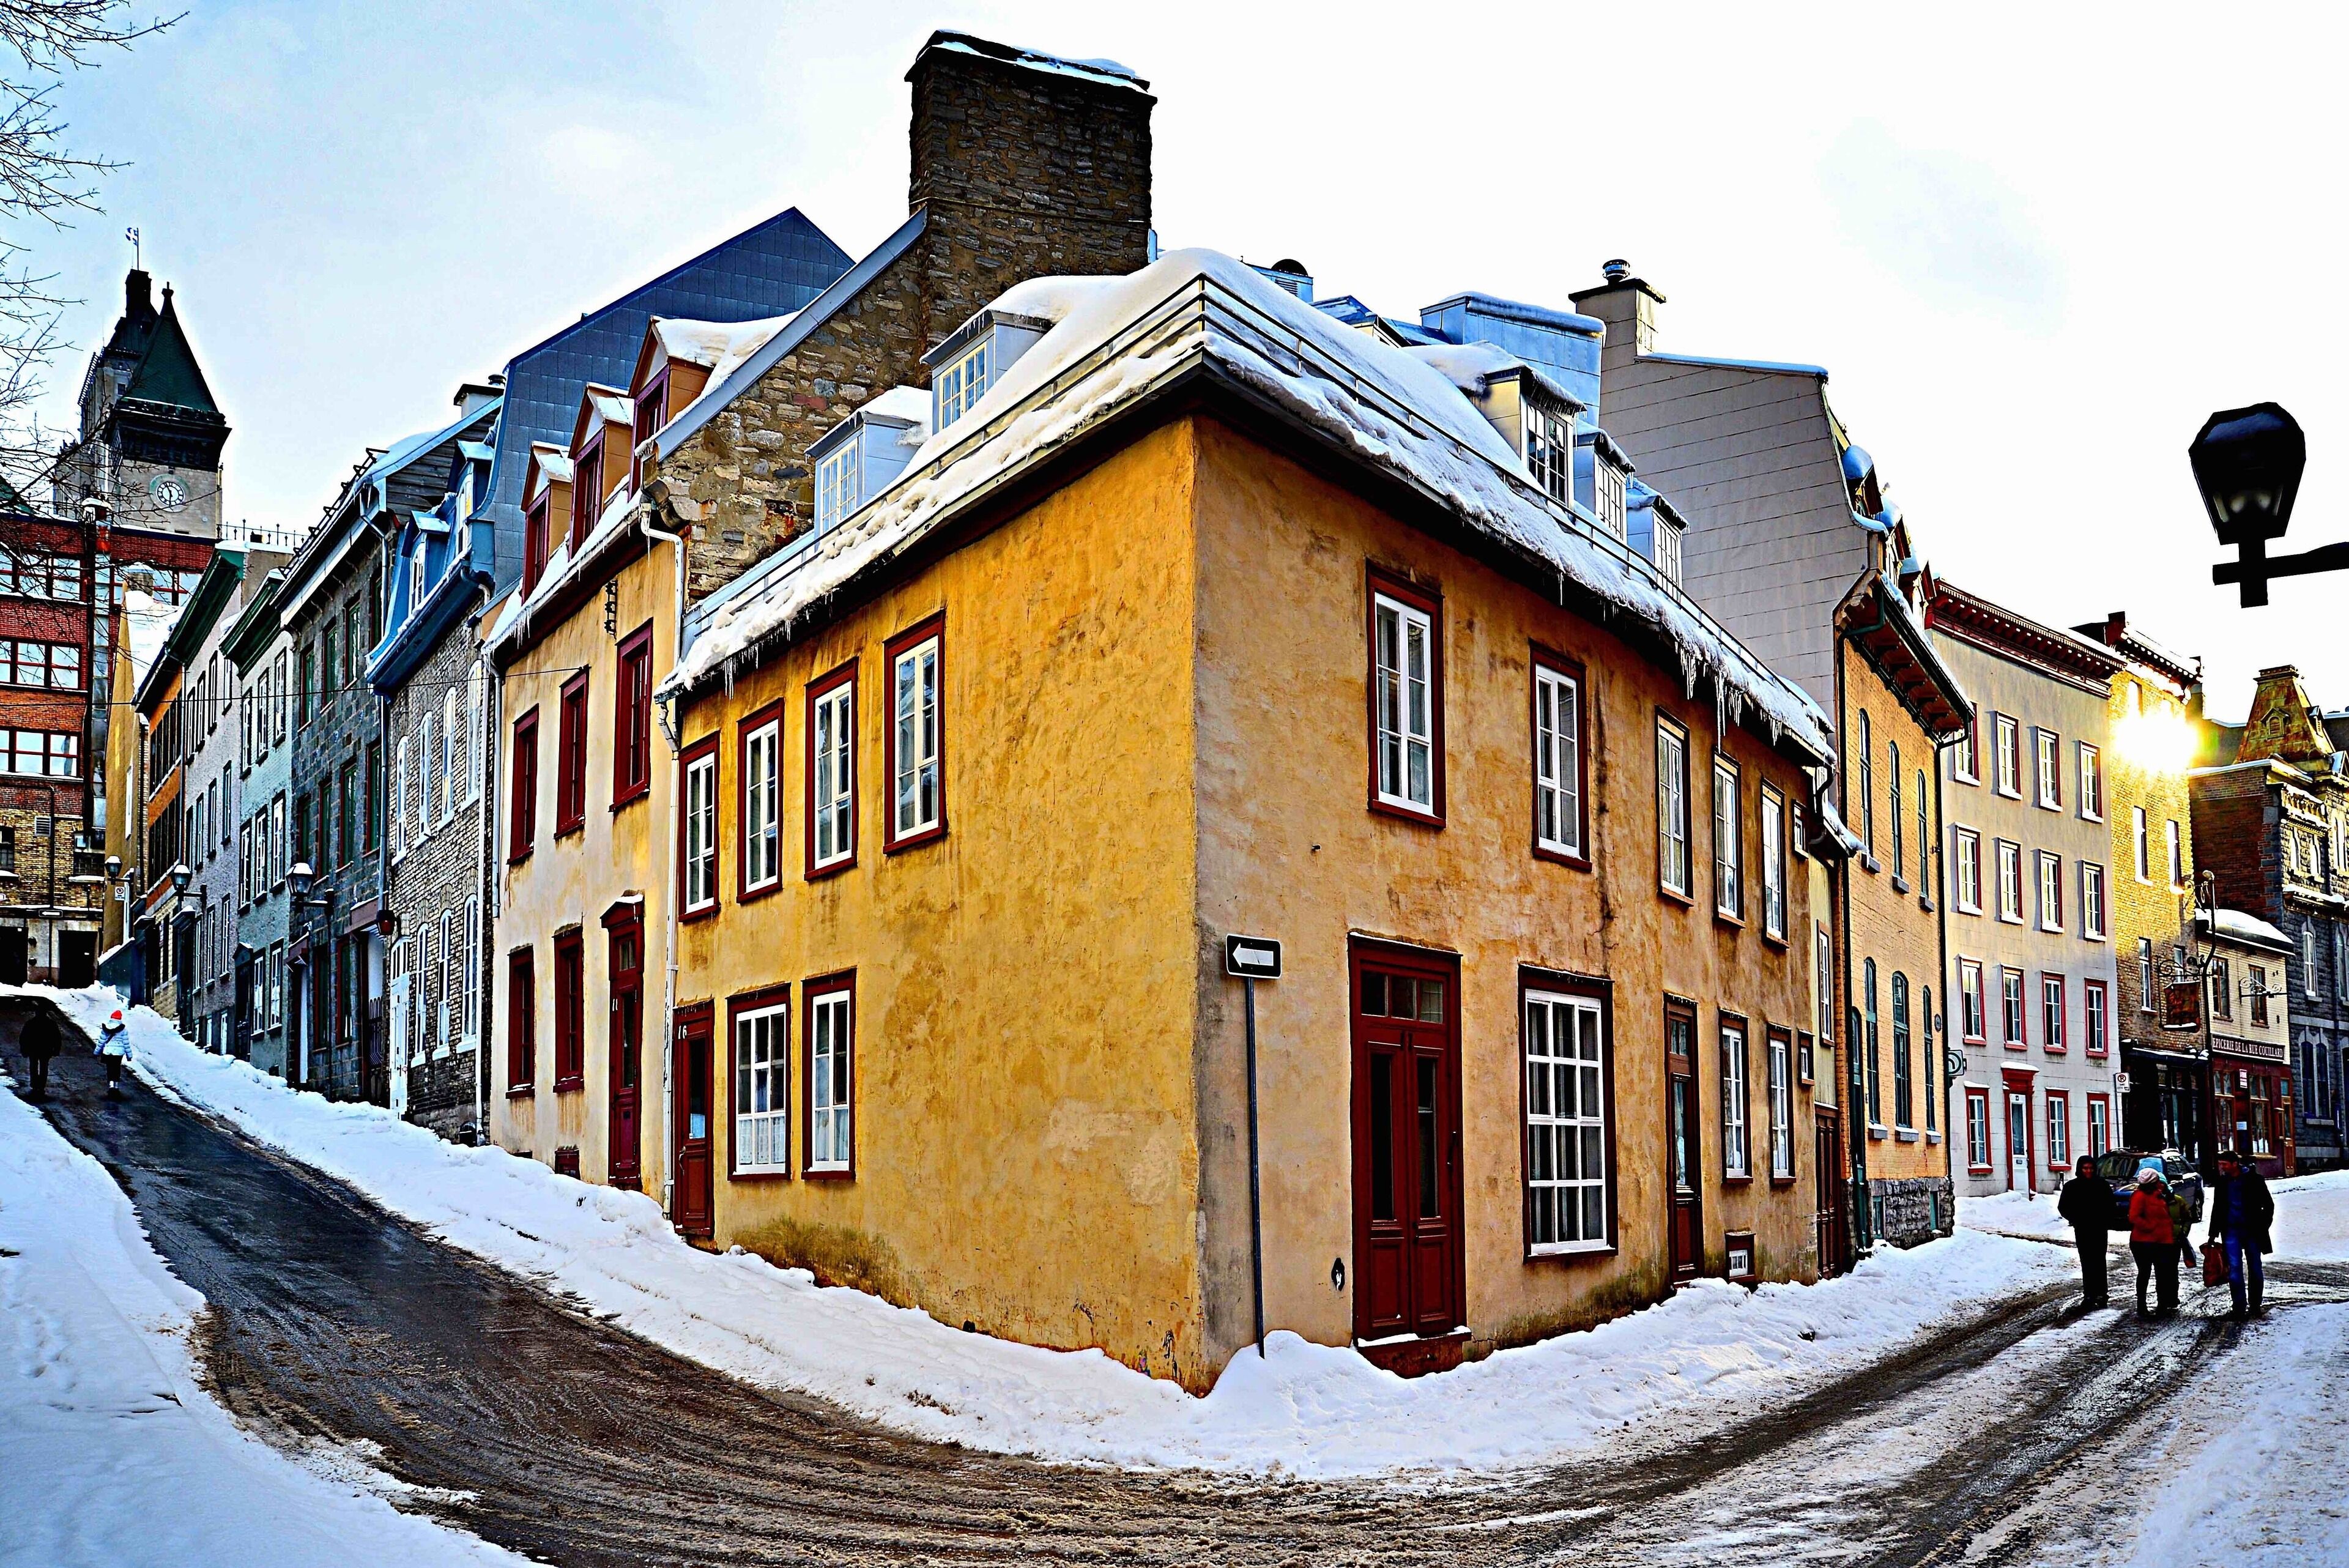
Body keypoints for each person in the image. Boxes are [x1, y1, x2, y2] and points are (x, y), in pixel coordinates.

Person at [2206, 1146, 2276, 1320]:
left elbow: (2268, 1205)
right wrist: (2213, 1233)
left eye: (2224, 1164)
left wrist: (2263, 1225)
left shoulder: (2254, 1180)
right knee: (2234, 1269)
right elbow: (2218, 1208)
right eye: (2220, 1164)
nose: (2222, 1167)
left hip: (2252, 1231)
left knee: (2255, 1268)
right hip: (2231, 1231)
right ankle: (2239, 1306)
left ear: (2235, 1164)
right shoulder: (2222, 1183)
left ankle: (2255, 1305)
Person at [2058, 1154, 2114, 1308]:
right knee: (2087, 1262)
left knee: (2100, 1261)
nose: (2088, 1171)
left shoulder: (2102, 1185)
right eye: (2085, 1168)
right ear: (2080, 1169)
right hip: (2082, 1229)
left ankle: (2102, 1294)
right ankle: (2089, 1294)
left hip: (2099, 1229)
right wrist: (2075, 1219)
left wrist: (2105, 1220)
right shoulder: (2072, 1187)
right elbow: (2063, 1207)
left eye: (2091, 1168)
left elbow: (2111, 1206)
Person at [2129, 1167, 2180, 1318]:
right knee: (2145, 1273)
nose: (2159, 1183)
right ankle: (2142, 1306)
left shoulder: (2158, 1195)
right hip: (2144, 1242)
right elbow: (2134, 1217)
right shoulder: (2140, 1196)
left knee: (2162, 1274)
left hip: (2161, 1241)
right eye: (2157, 1180)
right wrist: (2150, 1227)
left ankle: (2162, 1305)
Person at [18, 1005, 60, 1100]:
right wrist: (56, 1049)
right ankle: (41, 1085)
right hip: (46, 1049)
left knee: (33, 1066)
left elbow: (24, 1038)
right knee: (44, 1067)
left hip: (33, 1049)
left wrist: (24, 1049)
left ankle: (35, 1084)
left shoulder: (30, 1023)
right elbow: (57, 1038)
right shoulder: (51, 1024)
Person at [97, 1008, 128, 1100]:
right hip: (119, 1053)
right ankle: (116, 1087)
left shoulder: (106, 1028)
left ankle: (111, 1086)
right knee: (117, 1068)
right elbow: (126, 1043)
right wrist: (129, 1055)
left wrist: (97, 1051)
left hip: (108, 1052)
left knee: (110, 1068)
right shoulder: (123, 1030)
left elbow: (101, 1041)